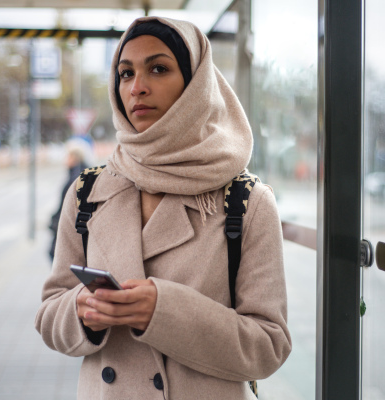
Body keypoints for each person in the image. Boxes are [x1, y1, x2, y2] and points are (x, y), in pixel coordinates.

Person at [35, 16, 291, 400]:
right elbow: (49, 313)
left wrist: (164, 311)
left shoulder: (248, 202)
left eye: (158, 68)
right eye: (125, 73)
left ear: (195, 84)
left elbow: (269, 346)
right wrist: (82, 311)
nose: (137, 88)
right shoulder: (86, 191)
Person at [48, 138, 92, 261]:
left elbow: (66, 208)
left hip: (70, 232)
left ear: (74, 157)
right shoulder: (86, 173)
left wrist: (54, 224)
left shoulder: (75, 178)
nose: (65, 158)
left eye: (67, 155)